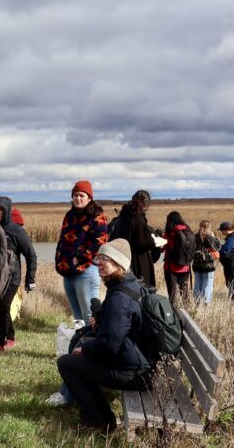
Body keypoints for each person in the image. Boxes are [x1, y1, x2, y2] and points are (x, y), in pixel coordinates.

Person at [56, 238, 152, 430]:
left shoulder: (119, 297)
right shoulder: (129, 285)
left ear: (119, 263)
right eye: (98, 257)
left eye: (105, 258)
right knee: (81, 342)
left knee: (67, 363)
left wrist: (86, 349)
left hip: (133, 372)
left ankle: (98, 420)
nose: (98, 263)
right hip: (137, 361)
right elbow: (120, 330)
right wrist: (100, 322)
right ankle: (99, 416)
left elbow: (109, 345)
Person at [55, 181, 109, 327]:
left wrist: (78, 257)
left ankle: (93, 347)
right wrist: (59, 258)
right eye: (75, 195)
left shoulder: (97, 216)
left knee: (90, 316)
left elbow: (100, 242)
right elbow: (62, 240)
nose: (78, 198)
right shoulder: (69, 215)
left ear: (89, 198)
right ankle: (80, 347)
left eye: (81, 195)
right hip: (68, 271)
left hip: (87, 270)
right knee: (77, 318)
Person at [0, 196, 37, 354]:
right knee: (1, 307)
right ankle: (11, 337)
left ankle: (0, 343)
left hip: (12, 278)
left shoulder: (16, 231)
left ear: (7, 211)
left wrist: (30, 279)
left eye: (0, 210)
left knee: (3, 307)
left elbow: (31, 255)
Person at [112, 190, 159, 287]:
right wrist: (154, 242)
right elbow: (142, 243)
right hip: (138, 262)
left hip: (123, 259)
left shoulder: (123, 215)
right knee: (141, 290)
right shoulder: (138, 218)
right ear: (146, 205)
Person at [161, 211, 192, 307]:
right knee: (185, 294)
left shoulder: (168, 234)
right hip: (185, 267)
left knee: (172, 295)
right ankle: (187, 313)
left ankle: (174, 314)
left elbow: (161, 249)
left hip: (171, 268)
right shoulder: (188, 231)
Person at [191, 221, 221, 305]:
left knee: (197, 283)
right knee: (207, 283)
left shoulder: (195, 236)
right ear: (208, 228)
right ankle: (206, 302)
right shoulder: (209, 237)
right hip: (207, 264)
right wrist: (213, 237)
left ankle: (197, 301)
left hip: (196, 263)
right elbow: (218, 247)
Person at [218, 222, 234, 302]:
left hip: (231, 262)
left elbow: (226, 251)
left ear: (227, 230)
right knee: (231, 280)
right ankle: (232, 297)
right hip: (232, 261)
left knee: (231, 280)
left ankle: (233, 299)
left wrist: (218, 250)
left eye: (222, 230)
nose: (221, 232)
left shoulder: (231, 238)